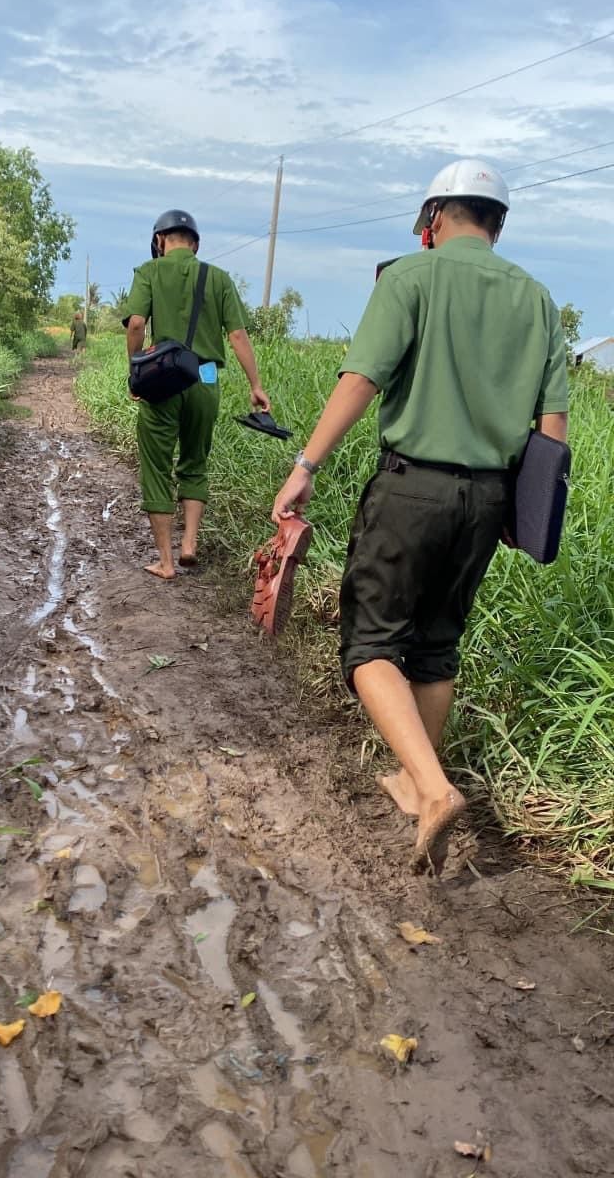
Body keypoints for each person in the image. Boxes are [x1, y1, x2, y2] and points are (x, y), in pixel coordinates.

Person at [272, 159, 568, 872]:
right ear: (497, 224)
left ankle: (433, 789)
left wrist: (304, 465)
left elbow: (362, 380)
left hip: (413, 487)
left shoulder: (409, 276)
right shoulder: (537, 299)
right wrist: (521, 510)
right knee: (435, 644)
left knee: (370, 643)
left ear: (435, 217)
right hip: (488, 499)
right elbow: (552, 426)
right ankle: (413, 777)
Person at [123, 208, 270, 580]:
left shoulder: (149, 272)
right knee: (195, 460)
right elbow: (237, 336)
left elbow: (137, 323)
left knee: (157, 467)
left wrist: (135, 371)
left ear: (159, 241)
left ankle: (166, 563)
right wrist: (255, 385)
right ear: (196, 244)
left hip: (163, 378)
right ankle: (189, 544)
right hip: (205, 378)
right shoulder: (218, 278)